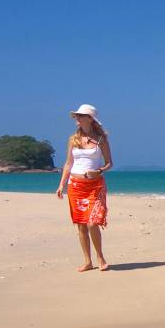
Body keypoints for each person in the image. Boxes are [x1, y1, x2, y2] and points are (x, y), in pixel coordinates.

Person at [56, 104, 114, 272]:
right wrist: (61, 185)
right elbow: (68, 164)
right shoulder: (73, 139)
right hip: (75, 185)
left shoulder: (101, 139)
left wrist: (98, 171)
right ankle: (88, 261)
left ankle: (100, 257)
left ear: (90, 118)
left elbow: (110, 163)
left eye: (81, 116)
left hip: (95, 185)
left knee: (92, 223)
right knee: (81, 224)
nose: (77, 119)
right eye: (77, 116)